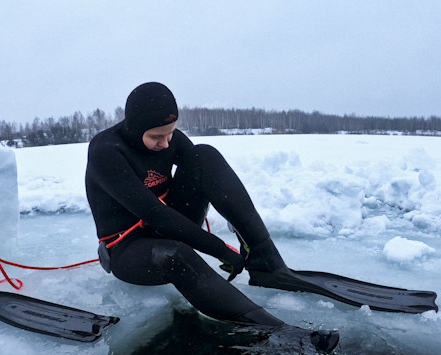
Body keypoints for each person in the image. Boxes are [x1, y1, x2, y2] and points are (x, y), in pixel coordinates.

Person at [85, 82, 291, 327]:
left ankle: (266, 264)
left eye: (170, 133)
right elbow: (157, 215)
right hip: (128, 249)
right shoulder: (106, 151)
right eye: (156, 137)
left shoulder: (167, 138)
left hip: (168, 227)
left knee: (204, 155)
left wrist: (242, 231)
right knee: (175, 255)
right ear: (135, 129)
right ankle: (273, 328)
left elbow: (207, 176)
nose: (166, 143)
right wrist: (221, 250)